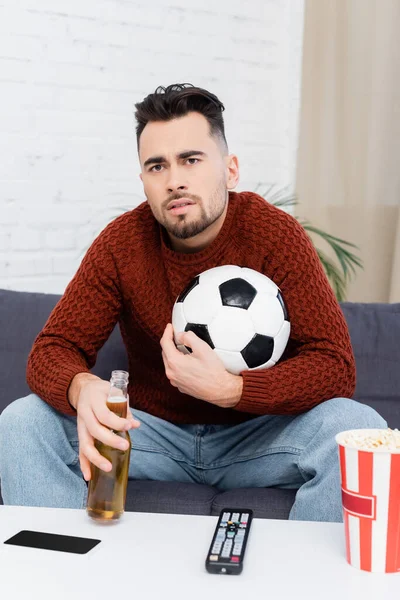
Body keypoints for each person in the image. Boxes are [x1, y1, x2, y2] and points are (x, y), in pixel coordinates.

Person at [0, 83, 386, 521]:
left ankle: (312, 584)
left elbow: (334, 365)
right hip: (148, 437)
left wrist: (233, 390)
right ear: (143, 180)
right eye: (157, 166)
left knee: (355, 425)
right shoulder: (122, 244)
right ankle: (55, 576)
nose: (174, 180)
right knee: (22, 421)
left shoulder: (276, 236)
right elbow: (53, 349)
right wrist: (82, 386)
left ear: (231, 169)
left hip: (258, 442)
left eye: (191, 160)